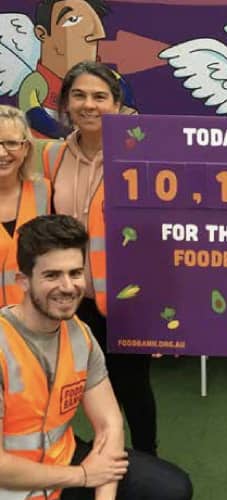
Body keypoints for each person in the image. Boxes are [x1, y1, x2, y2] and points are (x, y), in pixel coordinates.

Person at [0, 214, 193, 499]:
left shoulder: (81, 335)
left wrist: (104, 494)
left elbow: (109, 424)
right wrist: (82, 475)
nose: (67, 287)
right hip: (13, 485)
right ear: (23, 281)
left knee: (170, 488)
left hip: (62, 464)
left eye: (75, 273)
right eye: (52, 275)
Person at [40, 60, 157, 455]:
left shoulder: (141, 156)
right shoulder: (52, 157)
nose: (89, 105)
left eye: (99, 96)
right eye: (79, 95)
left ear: (118, 104)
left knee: (131, 384)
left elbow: (160, 238)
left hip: (125, 298)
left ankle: (146, 460)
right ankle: (86, 454)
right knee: (70, 382)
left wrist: (163, 310)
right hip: (68, 298)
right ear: (67, 102)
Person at [17, 0, 137, 138]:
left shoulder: (110, 78)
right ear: (42, 33)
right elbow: (34, 117)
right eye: (74, 20)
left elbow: (131, 117)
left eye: (99, 97)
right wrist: (74, 137)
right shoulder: (37, 84)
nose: (98, 34)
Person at [0, 105, 50, 307]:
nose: (2, 153)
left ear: (26, 147)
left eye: (11, 143)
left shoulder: (45, 192)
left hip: (32, 322)